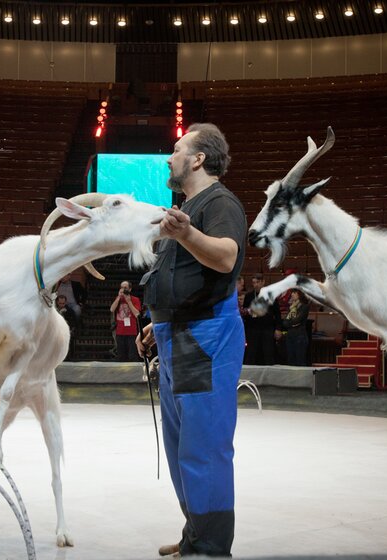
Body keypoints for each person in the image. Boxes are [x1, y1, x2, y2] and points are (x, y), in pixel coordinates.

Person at [136, 122, 246, 557]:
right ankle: (195, 536)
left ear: (198, 159)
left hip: (205, 336)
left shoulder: (220, 202)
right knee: (182, 447)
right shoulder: (185, 207)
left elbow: (226, 256)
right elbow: (178, 275)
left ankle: (212, 548)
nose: (169, 156)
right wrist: (155, 323)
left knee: (204, 446)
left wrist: (186, 234)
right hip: (175, 333)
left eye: (177, 149)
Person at [242, 273, 280, 365]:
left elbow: (277, 313)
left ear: (263, 282)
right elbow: (245, 312)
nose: (255, 285)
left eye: (258, 282)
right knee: (251, 353)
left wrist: (278, 329)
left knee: (268, 353)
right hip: (252, 329)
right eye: (254, 283)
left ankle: (269, 374)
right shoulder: (249, 296)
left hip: (267, 328)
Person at [110, 280, 141, 362]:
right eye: (121, 287)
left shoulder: (135, 299)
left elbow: (137, 314)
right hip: (120, 332)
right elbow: (112, 309)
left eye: (125, 288)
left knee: (132, 356)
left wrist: (129, 301)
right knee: (121, 356)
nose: (123, 289)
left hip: (132, 332)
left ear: (130, 289)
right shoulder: (118, 299)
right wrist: (118, 298)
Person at [280, 288, 311, 366]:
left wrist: (290, 323)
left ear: (299, 294)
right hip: (290, 335)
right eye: (292, 293)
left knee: (300, 360)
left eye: (294, 292)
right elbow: (285, 322)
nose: (292, 294)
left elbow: (298, 320)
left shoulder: (304, 306)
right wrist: (291, 323)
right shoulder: (292, 307)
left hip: (300, 336)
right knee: (291, 360)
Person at [55, 294, 78, 360]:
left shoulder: (70, 311)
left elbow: (74, 323)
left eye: (63, 303)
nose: (62, 305)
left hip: (67, 330)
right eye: (60, 303)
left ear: (65, 302)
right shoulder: (54, 311)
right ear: (57, 302)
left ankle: (69, 357)